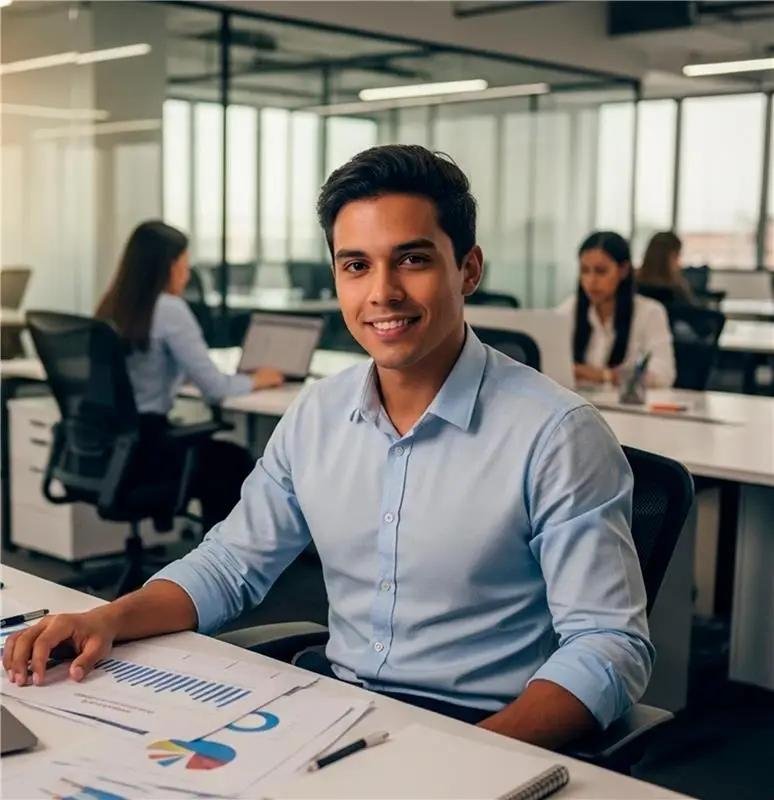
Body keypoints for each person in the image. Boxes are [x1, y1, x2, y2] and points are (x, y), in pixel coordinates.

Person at [4, 147, 653, 751]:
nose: (382, 293)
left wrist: (481, 758)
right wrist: (109, 620)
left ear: (469, 269)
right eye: (356, 265)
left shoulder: (556, 434)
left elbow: (607, 643)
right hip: (343, 716)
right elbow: (232, 565)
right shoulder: (316, 414)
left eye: (414, 259)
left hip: (485, 730)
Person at [94, 220, 284, 529]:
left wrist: (179, 374)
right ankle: (222, 567)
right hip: (149, 449)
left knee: (220, 458)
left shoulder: (113, 304)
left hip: (115, 448)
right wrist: (258, 379)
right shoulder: (170, 309)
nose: (186, 273)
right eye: (184, 264)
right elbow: (215, 389)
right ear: (168, 267)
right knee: (233, 462)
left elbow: (137, 370)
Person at [558, 231, 676, 388]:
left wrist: (603, 375)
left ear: (623, 270)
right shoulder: (569, 309)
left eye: (601, 271)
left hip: (627, 408)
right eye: (585, 271)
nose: (591, 281)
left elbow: (663, 375)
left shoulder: (649, 312)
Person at [637, 231, 694, 306]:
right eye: (677, 256)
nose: (679, 264)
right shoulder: (677, 293)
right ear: (672, 257)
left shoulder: (632, 286)